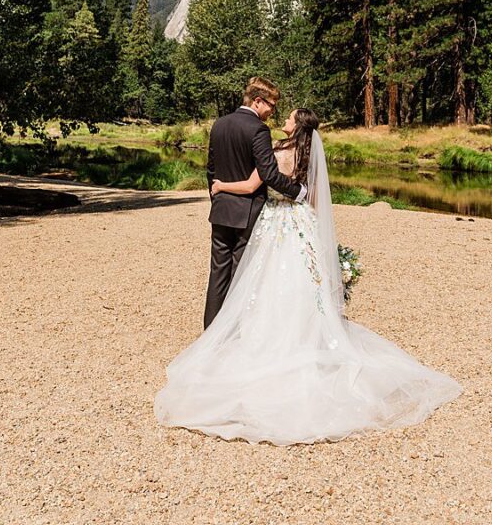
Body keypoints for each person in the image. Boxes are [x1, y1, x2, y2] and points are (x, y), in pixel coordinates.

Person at [154, 102, 462, 445]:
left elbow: (260, 180)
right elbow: (314, 197)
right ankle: (304, 336)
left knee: (261, 280)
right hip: (299, 221)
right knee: (300, 282)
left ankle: (259, 340)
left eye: (288, 117)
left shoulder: (275, 149)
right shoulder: (310, 153)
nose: (282, 118)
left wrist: (221, 186)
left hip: (273, 221)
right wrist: (312, 226)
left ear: (297, 125)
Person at [199, 77, 308, 329]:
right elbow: (269, 174)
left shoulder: (220, 124)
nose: (272, 111)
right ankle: (234, 332)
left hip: (221, 209)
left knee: (217, 273)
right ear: (258, 101)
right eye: (271, 105)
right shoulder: (258, 129)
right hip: (247, 211)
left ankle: (211, 332)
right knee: (241, 276)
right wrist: (299, 192)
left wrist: (216, 197)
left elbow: (211, 170)